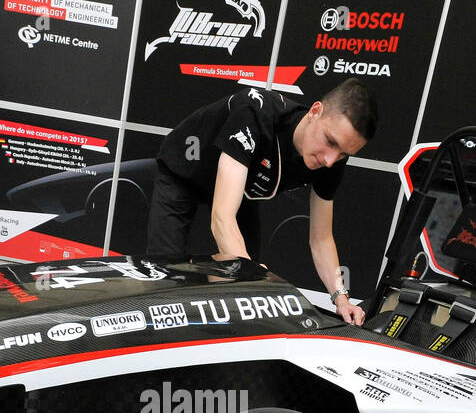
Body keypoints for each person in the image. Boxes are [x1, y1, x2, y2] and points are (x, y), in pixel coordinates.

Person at [146, 78, 377, 324]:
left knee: (244, 281)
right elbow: (221, 218)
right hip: (184, 172)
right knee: (164, 275)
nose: (330, 160)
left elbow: (321, 238)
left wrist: (341, 298)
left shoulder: (331, 161)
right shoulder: (255, 114)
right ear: (315, 111)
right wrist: (246, 272)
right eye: (330, 141)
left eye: (343, 153)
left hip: (240, 189)